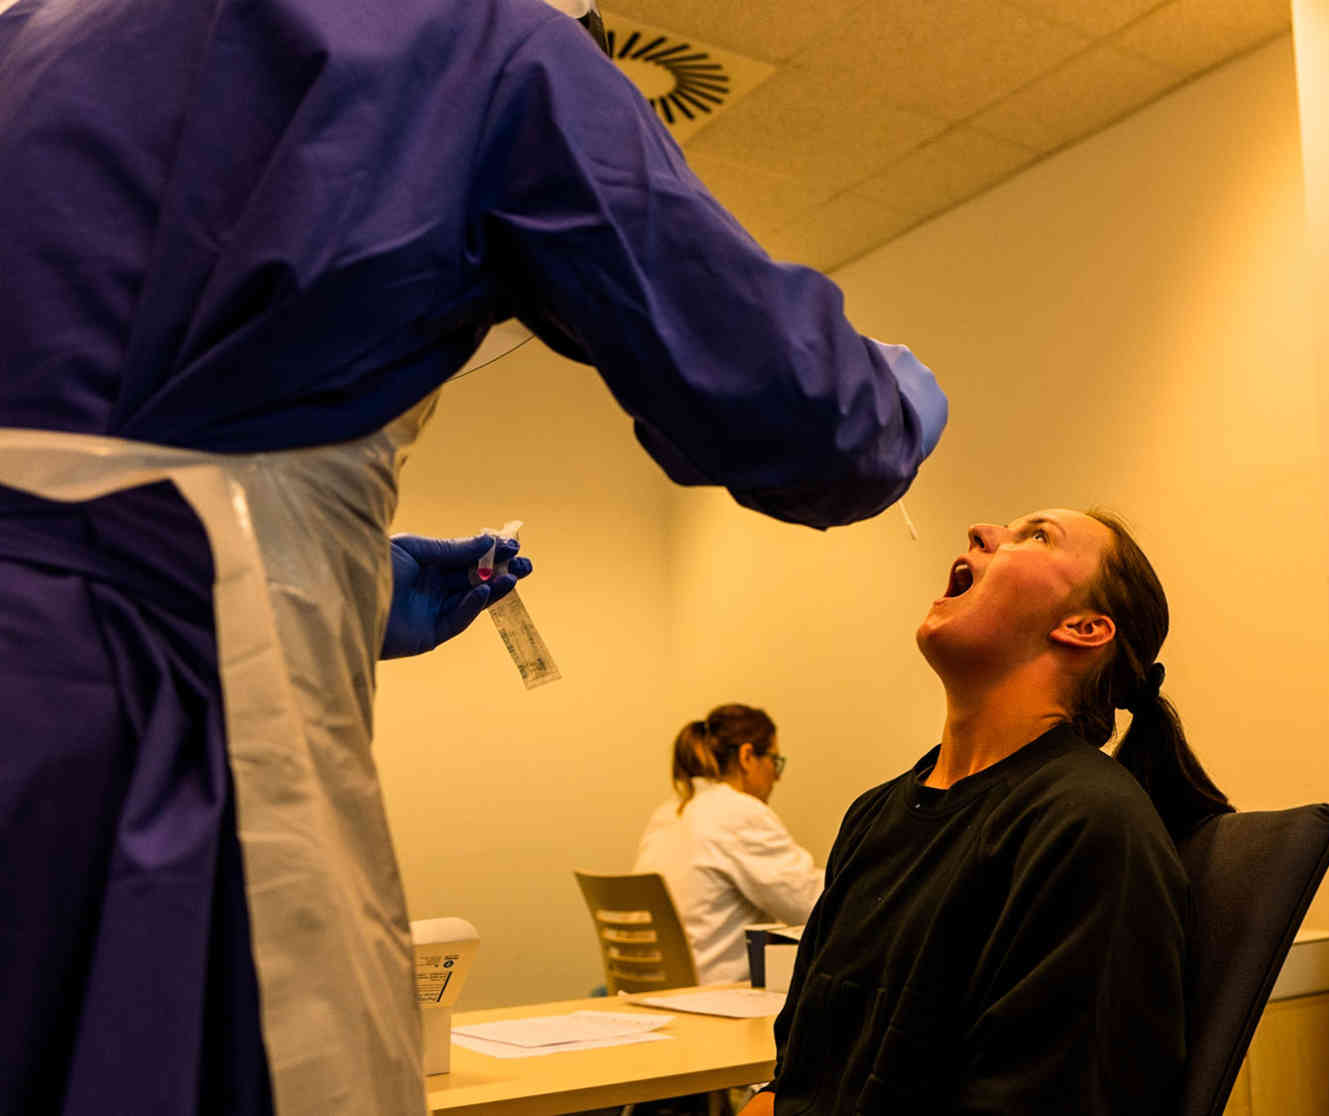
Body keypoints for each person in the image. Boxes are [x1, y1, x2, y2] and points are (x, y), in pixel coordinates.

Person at [0, 0, 947, 1111]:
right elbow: (799, 412)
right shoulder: (481, 39)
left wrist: (353, 586)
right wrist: (895, 402)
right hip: (137, 729)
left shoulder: (32, 42)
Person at [740, 509, 1232, 1116]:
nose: (980, 531)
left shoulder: (1089, 825)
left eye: (1037, 536)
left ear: (1083, 628)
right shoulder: (872, 815)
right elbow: (793, 1079)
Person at [634, 704, 826, 983]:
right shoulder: (737, 811)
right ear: (747, 757)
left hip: (649, 991)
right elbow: (810, 905)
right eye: (774, 761)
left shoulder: (668, 812)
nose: (778, 776)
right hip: (708, 995)